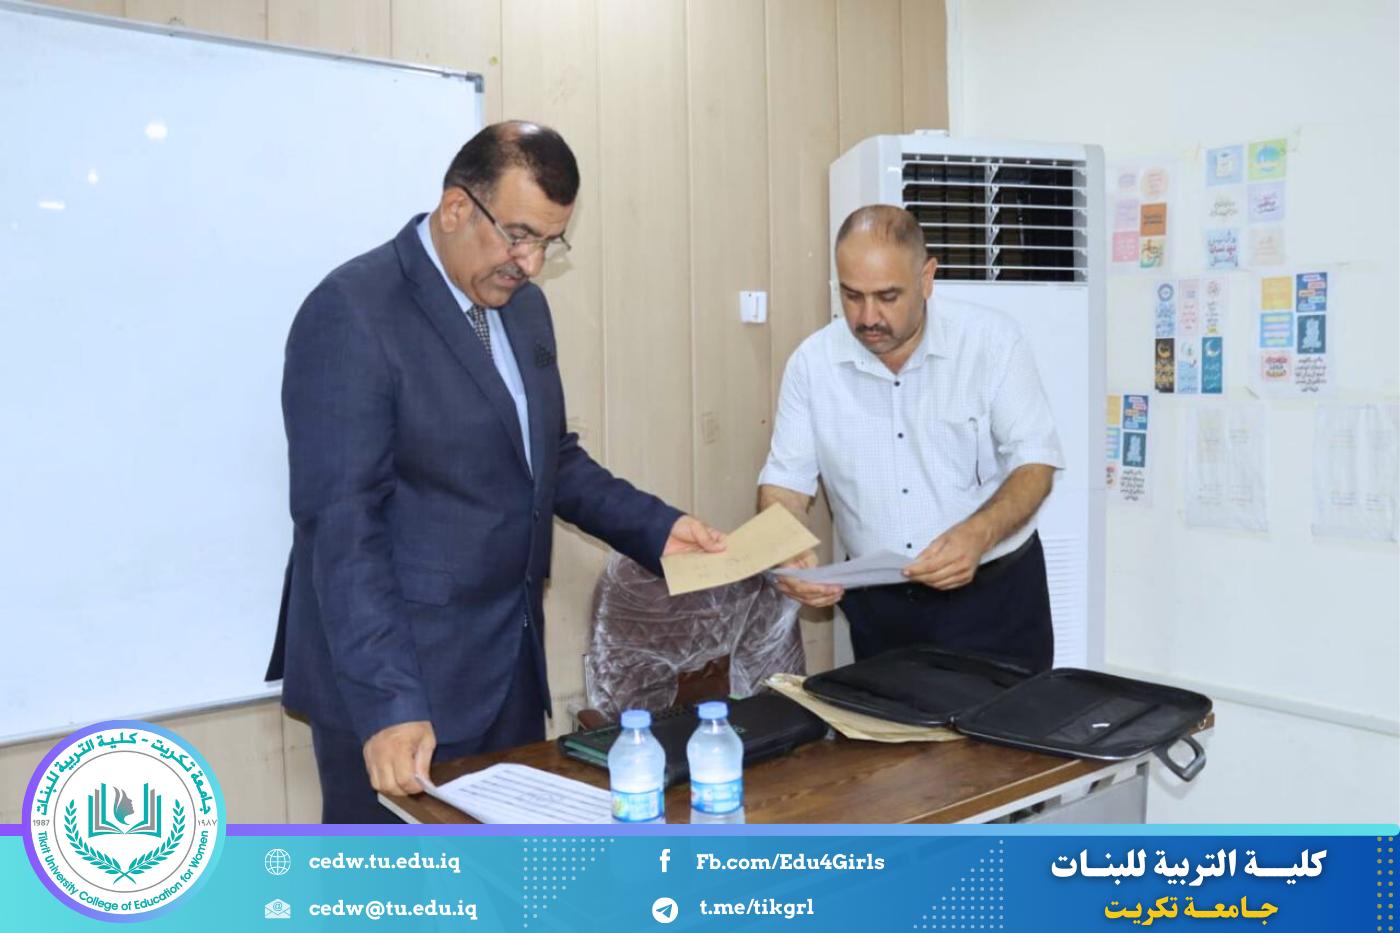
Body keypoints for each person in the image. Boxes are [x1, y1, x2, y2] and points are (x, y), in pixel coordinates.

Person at [266, 121, 724, 822]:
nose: (531, 263)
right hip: (401, 683)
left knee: (504, 876)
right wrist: (390, 704)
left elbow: (547, 456)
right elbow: (341, 525)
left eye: (548, 242)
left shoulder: (523, 309)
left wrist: (656, 529)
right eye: (518, 235)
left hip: (507, 667)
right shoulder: (353, 311)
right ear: (457, 208)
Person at [758, 205, 1063, 671]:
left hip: (994, 597)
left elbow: (1035, 465)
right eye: (852, 296)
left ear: (926, 278)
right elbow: (784, 484)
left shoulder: (991, 342)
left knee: (1010, 721)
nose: (868, 317)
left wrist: (977, 535)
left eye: (887, 296)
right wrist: (785, 547)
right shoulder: (812, 364)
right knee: (885, 721)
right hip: (880, 607)